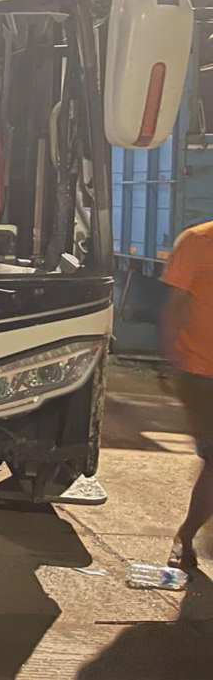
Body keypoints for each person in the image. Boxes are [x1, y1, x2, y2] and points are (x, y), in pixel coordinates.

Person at [160, 221, 213, 571]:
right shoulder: (198, 242)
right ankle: (187, 534)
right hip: (200, 372)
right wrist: (169, 360)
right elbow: (174, 306)